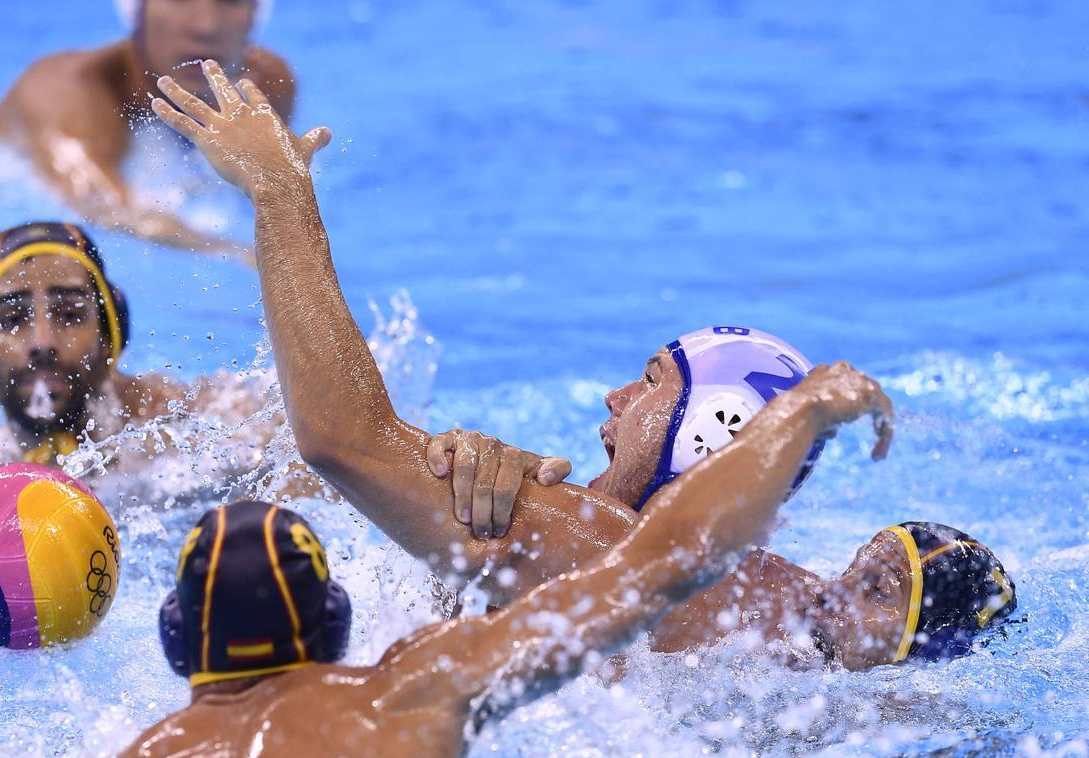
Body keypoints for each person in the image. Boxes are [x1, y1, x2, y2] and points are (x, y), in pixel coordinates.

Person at [147, 64, 1020, 669]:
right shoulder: (763, 605)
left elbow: (344, 440)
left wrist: (280, 196)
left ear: (712, 433)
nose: (614, 395)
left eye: (651, 383)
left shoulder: (629, 557)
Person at [97, 362, 898, 758]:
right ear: (338, 622)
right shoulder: (416, 688)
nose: (614, 401)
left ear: (175, 642)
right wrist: (806, 409)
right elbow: (666, 561)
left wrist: (468, 562)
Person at [0, 0, 294, 262]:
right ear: (138, 12)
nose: (206, 26)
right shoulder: (66, 92)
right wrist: (236, 253)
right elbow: (105, 209)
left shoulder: (265, 85)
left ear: (255, 14)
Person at [0, 220, 272, 466]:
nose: (43, 342)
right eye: (12, 320)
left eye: (69, 315)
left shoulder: (190, 429)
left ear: (110, 335)